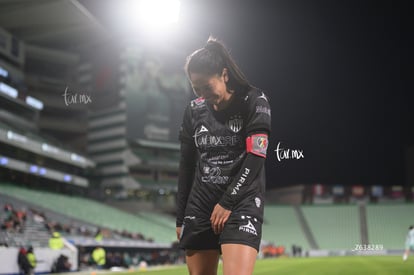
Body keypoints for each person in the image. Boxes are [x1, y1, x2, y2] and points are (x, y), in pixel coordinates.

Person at [176, 37, 271, 275]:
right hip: (200, 204)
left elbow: (256, 155)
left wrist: (228, 202)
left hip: (241, 202)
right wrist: (180, 217)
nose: (202, 95)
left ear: (224, 75)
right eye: (196, 89)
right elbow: (186, 165)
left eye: (207, 87)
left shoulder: (254, 101)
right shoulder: (194, 110)